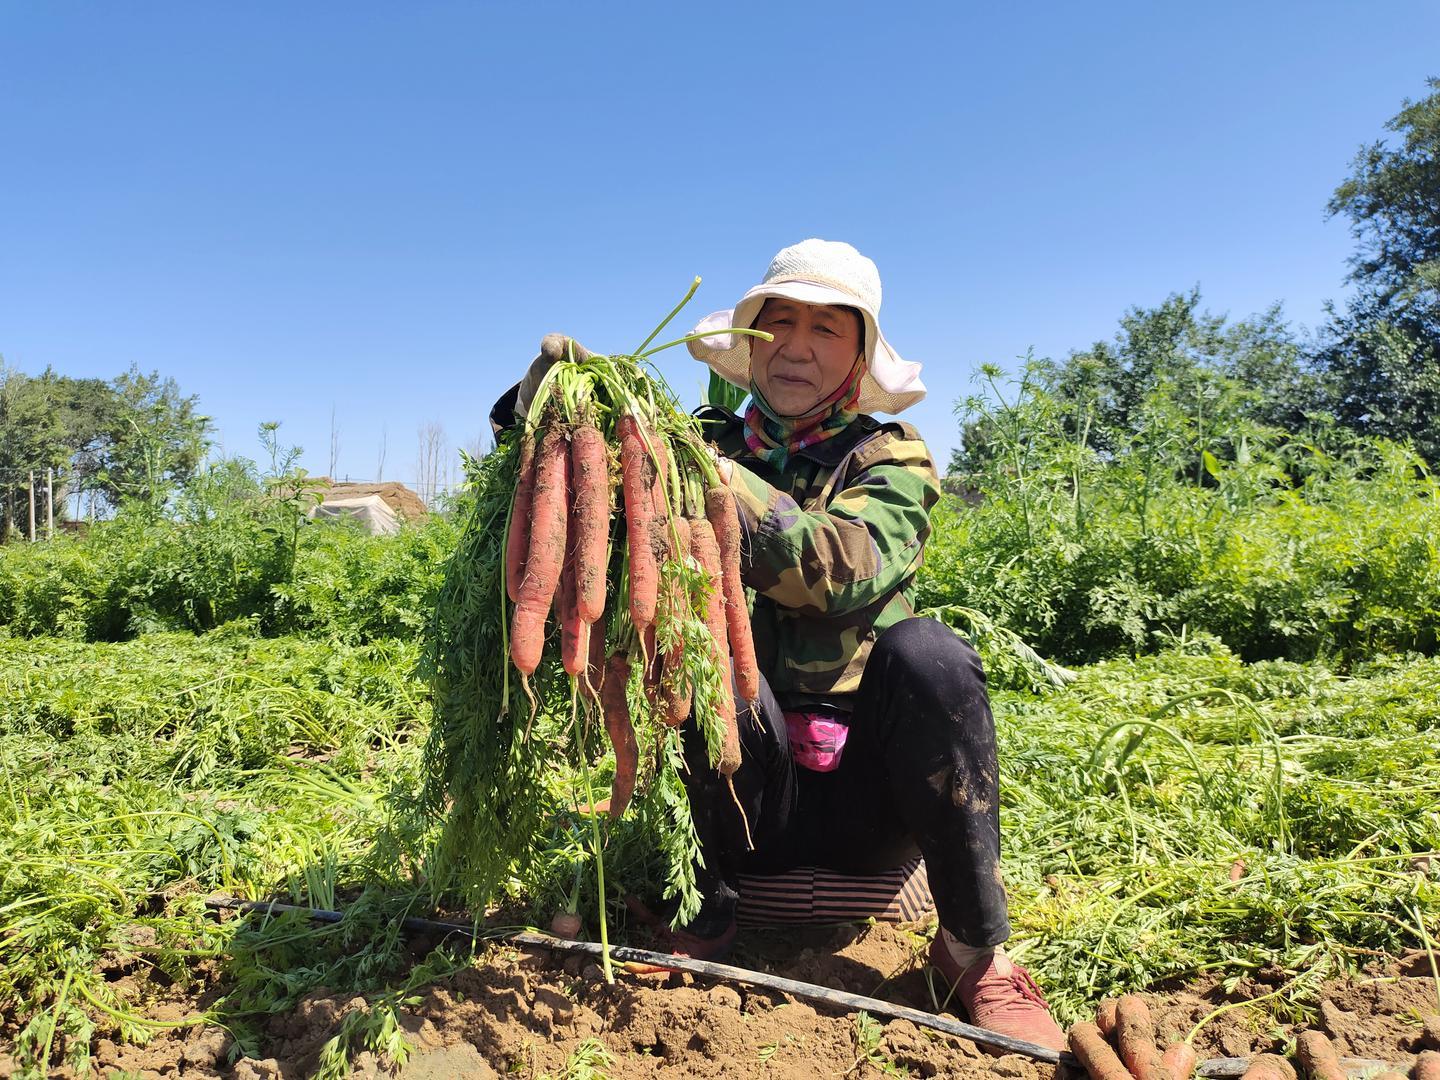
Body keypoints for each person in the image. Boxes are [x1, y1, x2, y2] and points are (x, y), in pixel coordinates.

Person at [500, 239, 1066, 1050]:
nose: (797, 346)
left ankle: (974, 950)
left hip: (866, 796)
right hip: (740, 783)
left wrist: (713, 479)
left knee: (932, 654)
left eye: (827, 329)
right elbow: (573, 514)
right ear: (751, 341)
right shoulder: (694, 436)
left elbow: (840, 569)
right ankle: (704, 905)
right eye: (780, 323)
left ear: (858, 354)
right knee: (693, 644)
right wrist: (549, 416)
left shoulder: (889, 456)